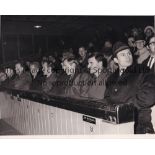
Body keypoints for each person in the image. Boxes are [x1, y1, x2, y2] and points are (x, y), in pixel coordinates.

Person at [103, 41, 155, 134]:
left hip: (139, 125)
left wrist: (127, 108)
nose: (128, 56)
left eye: (129, 53)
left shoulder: (142, 70)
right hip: (116, 124)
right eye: (123, 55)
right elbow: (107, 98)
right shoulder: (111, 78)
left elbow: (150, 96)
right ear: (115, 60)